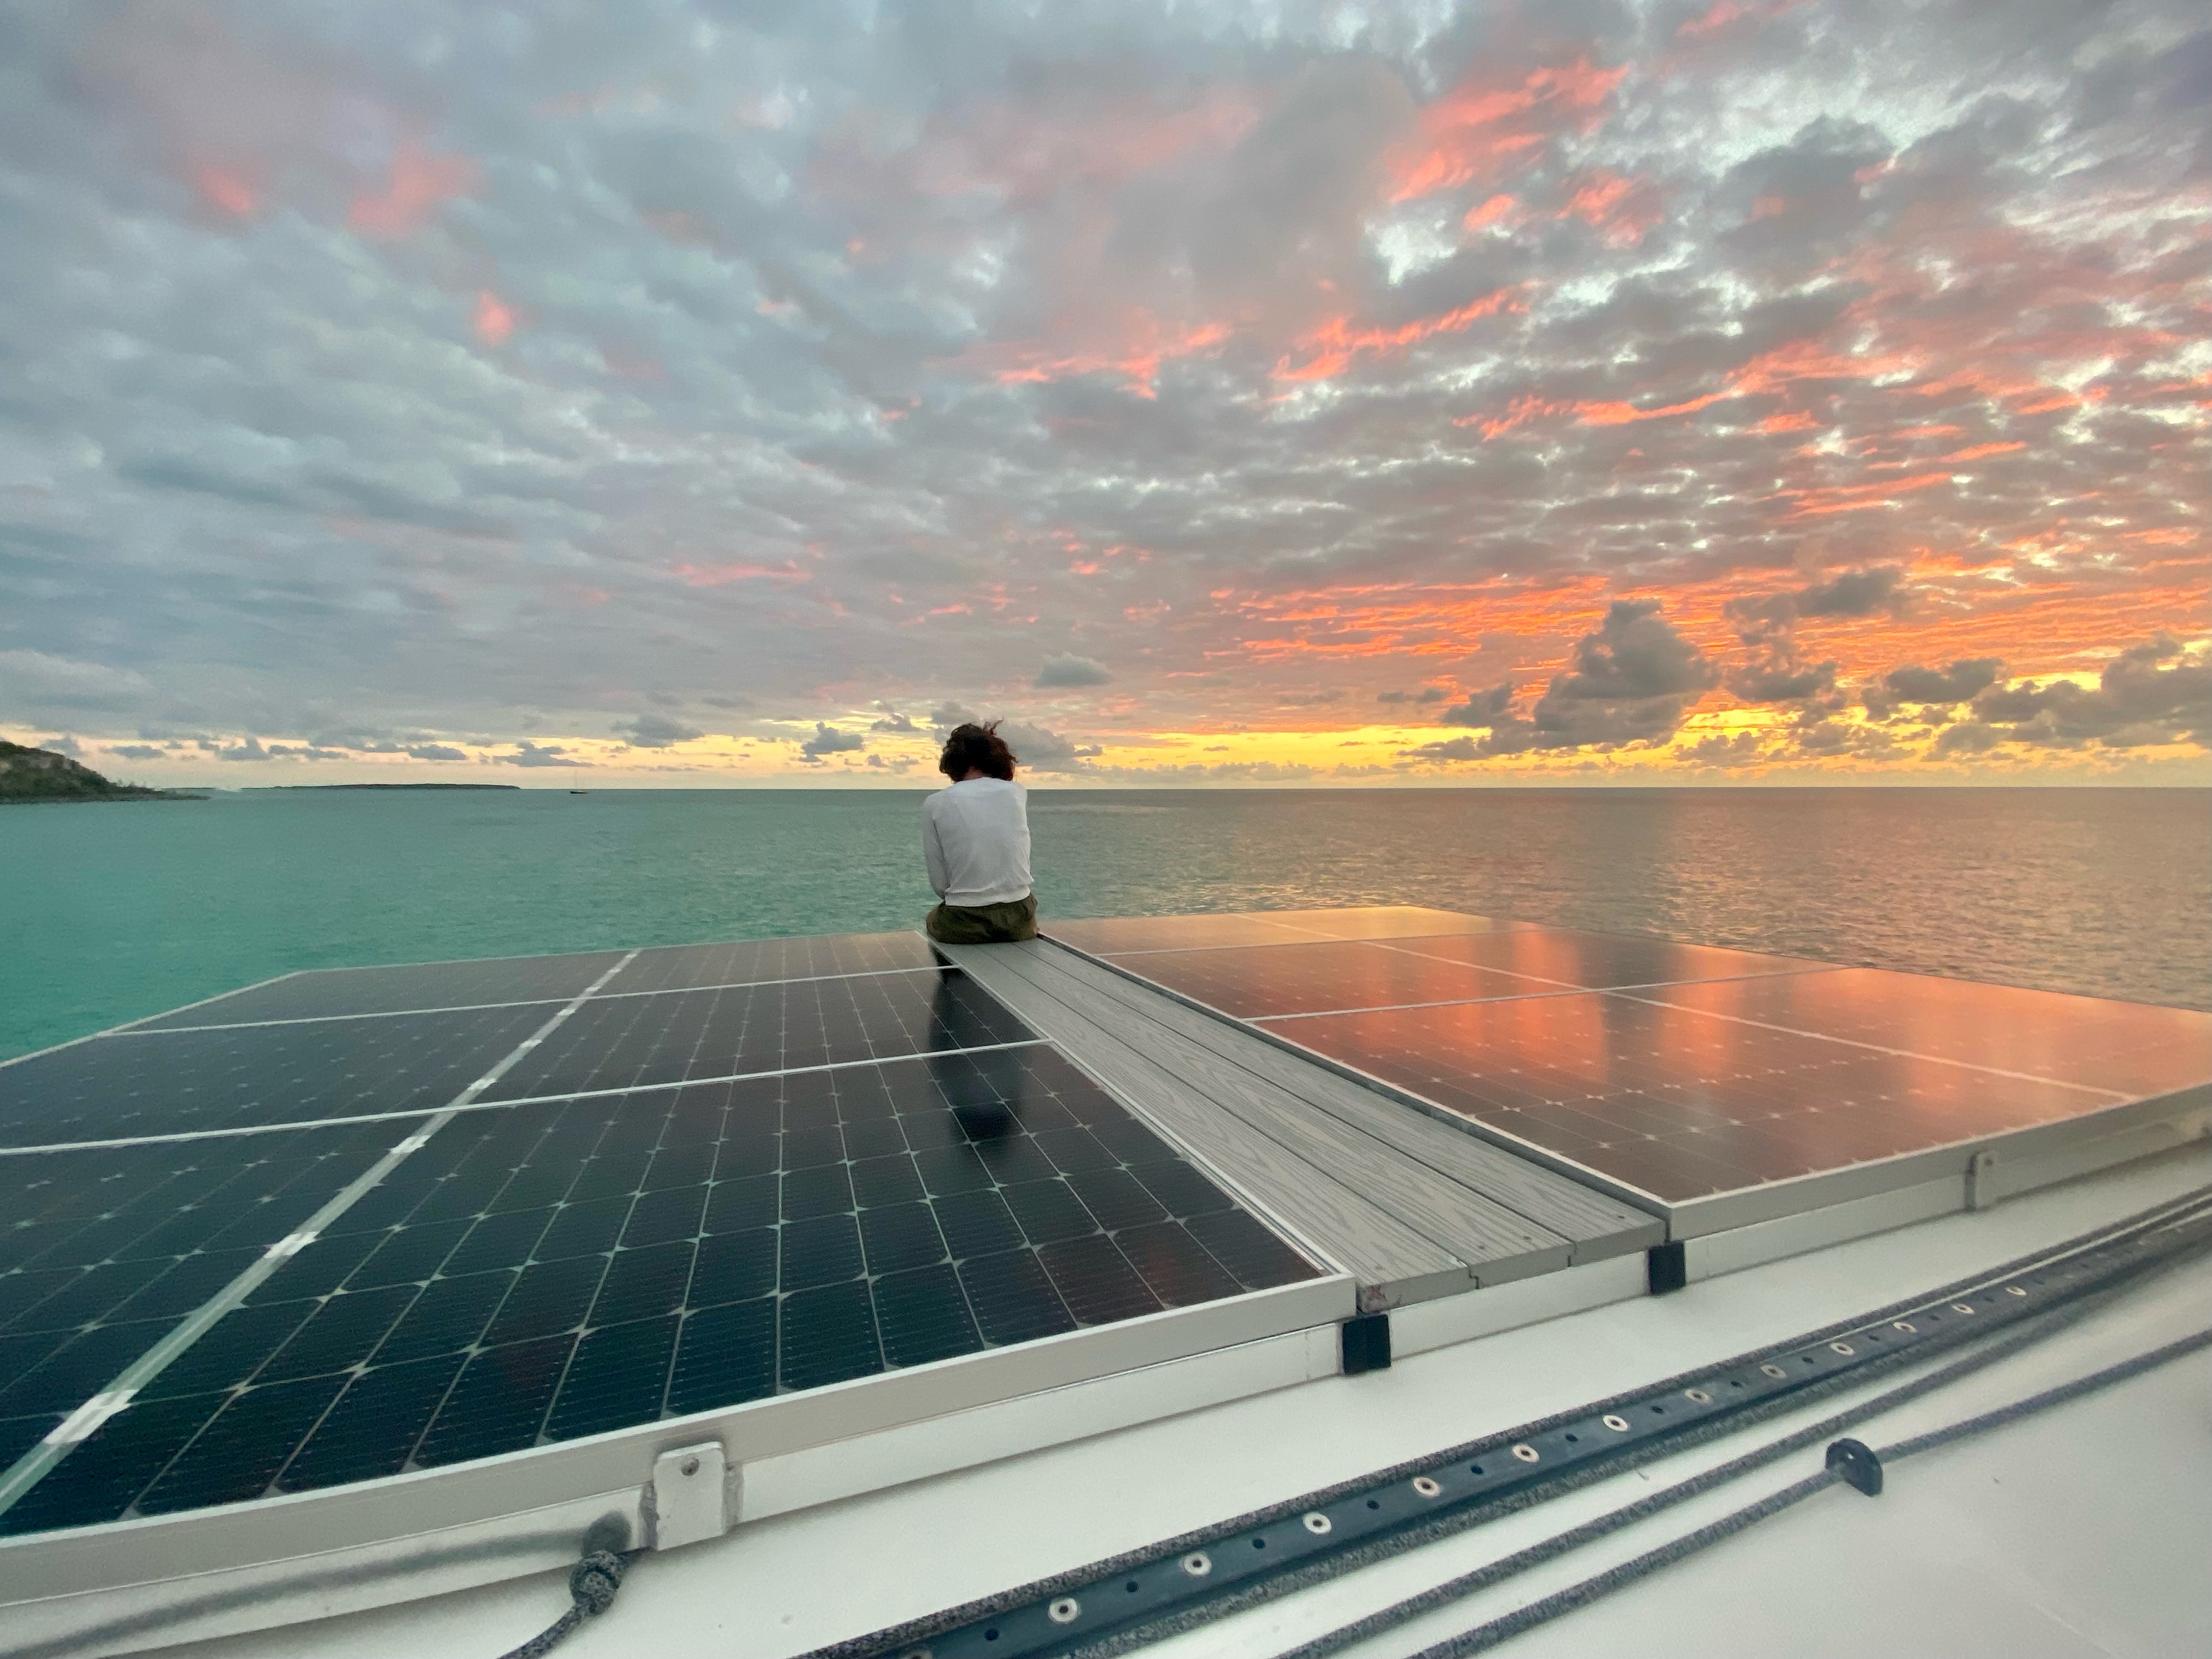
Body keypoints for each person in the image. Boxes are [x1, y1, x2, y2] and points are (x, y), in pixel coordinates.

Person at [922, 721, 1039, 944]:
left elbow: (940, 884)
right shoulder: (1016, 793)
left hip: (963, 922)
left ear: (953, 762)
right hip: (1018, 918)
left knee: (932, 920)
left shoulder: (934, 804)